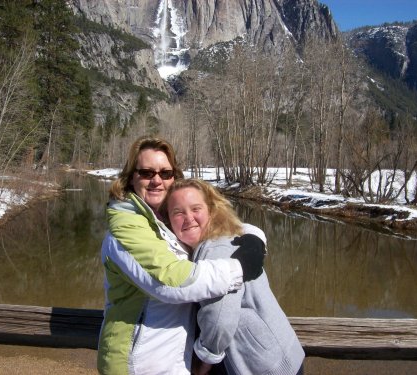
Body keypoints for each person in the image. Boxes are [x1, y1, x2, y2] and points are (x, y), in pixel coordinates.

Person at [97, 136, 266, 375]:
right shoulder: (126, 226)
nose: (157, 180)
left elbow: (218, 218)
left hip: (173, 360)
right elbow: (171, 282)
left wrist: (255, 238)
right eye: (146, 172)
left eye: (165, 173)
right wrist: (239, 267)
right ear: (131, 178)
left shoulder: (166, 218)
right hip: (137, 364)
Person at [162, 178, 305, 375]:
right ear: (168, 219)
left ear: (211, 211)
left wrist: (204, 360)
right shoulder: (221, 237)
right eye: (178, 212)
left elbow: (220, 317)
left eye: (196, 209)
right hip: (279, 356)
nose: (188, 218)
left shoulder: (215, 248)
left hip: (265, 366)